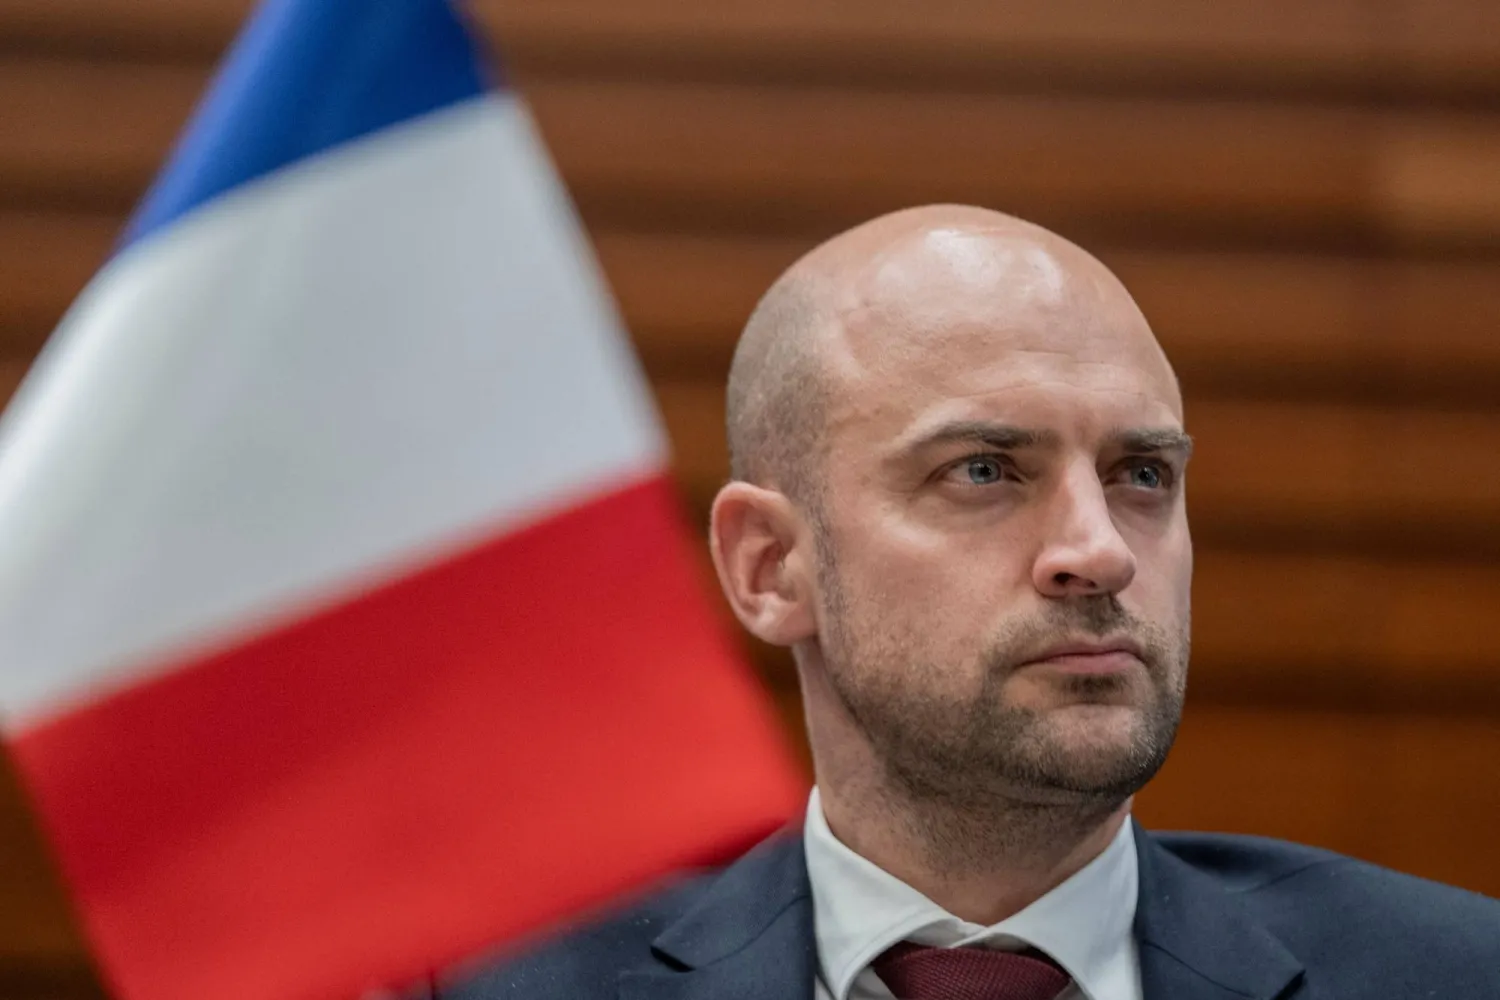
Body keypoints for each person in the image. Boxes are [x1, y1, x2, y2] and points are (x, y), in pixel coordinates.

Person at [438, 205, 1500, 999]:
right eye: (985, 471)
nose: (1098, 553)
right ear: (770, 565)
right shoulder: (504, 986)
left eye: (1142, 475)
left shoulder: (1453, 977)